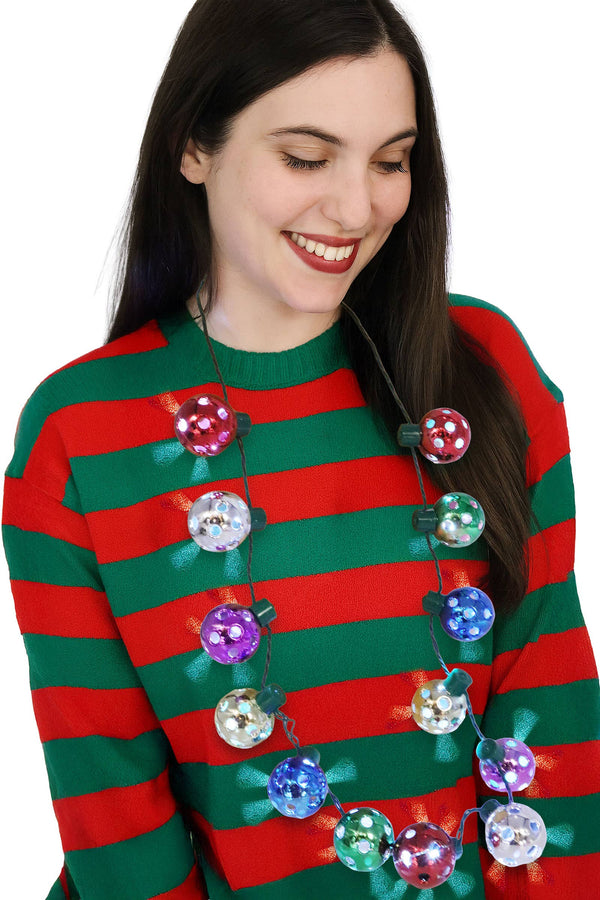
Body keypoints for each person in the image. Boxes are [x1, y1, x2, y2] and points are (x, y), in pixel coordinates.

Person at [3, 1, 599, 898]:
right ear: (193, 147)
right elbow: (112, 808)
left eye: (390, 161)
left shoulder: (485, 368)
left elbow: (554, 726)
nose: (356, 207)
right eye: (306, 158)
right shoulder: (79, 434)